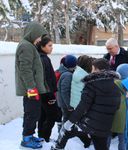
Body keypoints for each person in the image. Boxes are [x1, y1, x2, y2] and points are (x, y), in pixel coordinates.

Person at [52, 58, 121, 150]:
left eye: (92, 68)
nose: (91, 71)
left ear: (97, 70)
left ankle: (58, 148)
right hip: (105, 125)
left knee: (67, 130)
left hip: (90, 123)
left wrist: (71, 121)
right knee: (101, 147)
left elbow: (83, 106)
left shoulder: (92, 84)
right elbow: (117, 106)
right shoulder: (115, 86)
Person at [15, 21, 48, 149]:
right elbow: (25, 69)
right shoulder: (26, 46)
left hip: (32, 88)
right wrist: (31, 87)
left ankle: (29, 135)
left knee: (33, 112)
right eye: (39, 36)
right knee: (32, 113)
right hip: (31, 89)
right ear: (32, 33)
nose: (40, 39)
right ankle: (27, 139)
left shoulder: (28, 45)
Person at [36, 36, 58, 142]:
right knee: (52, 115)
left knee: (43, 115)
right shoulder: (43, 59)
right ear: (42, 46)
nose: (51, 48)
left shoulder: (42, 57)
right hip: (46, 93)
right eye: (49, 46)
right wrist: (50, 95)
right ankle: (45, 137)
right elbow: (45, 78)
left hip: (44, 92)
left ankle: (42, 136)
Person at [107, 64, 128, 150]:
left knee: (108, 135)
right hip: (123, 114)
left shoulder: (111, 83)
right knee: (123, 138)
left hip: (111, 112)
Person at [57, 55, 77, 123]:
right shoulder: (67, 75)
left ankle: (63, 132)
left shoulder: (62, 71)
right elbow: (65, 91)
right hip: (65, 104)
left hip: (63, 102)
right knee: (67, 119)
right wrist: (69, 105)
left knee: (66, 118)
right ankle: (63, 133)